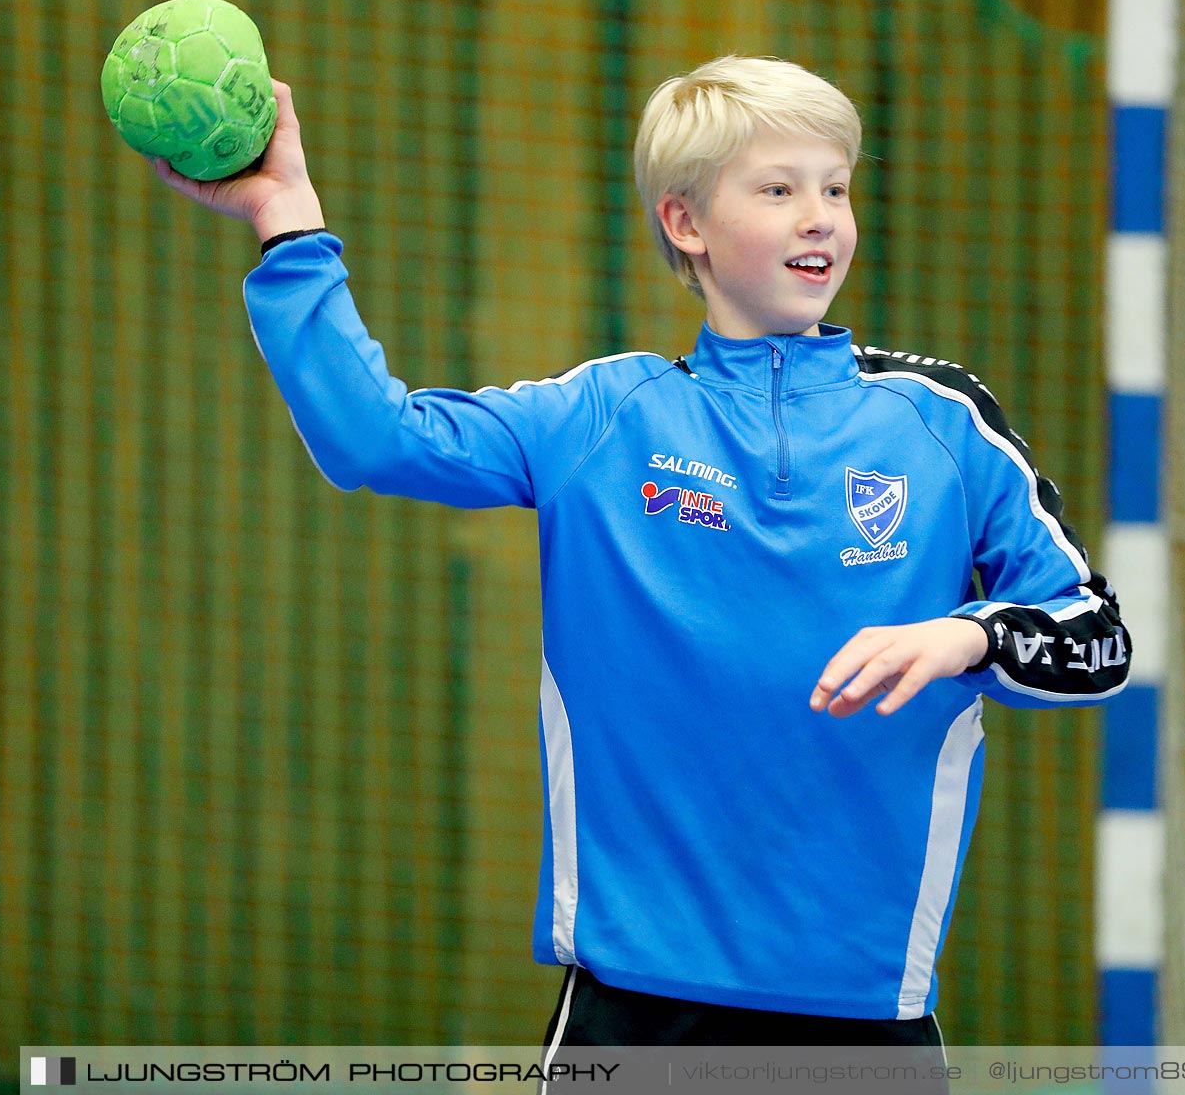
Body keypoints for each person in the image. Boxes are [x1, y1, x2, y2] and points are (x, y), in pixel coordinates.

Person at [150, 57, 1130, 1054]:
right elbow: (377, 439)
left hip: (864, 1023)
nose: (820, 217)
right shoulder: (602, 416)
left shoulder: (944, 425)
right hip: (634, 1014)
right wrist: (288, 215)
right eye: (779, 189)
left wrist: (967, 635)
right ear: (686, 223)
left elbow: (1097, 635)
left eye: (835, 187)